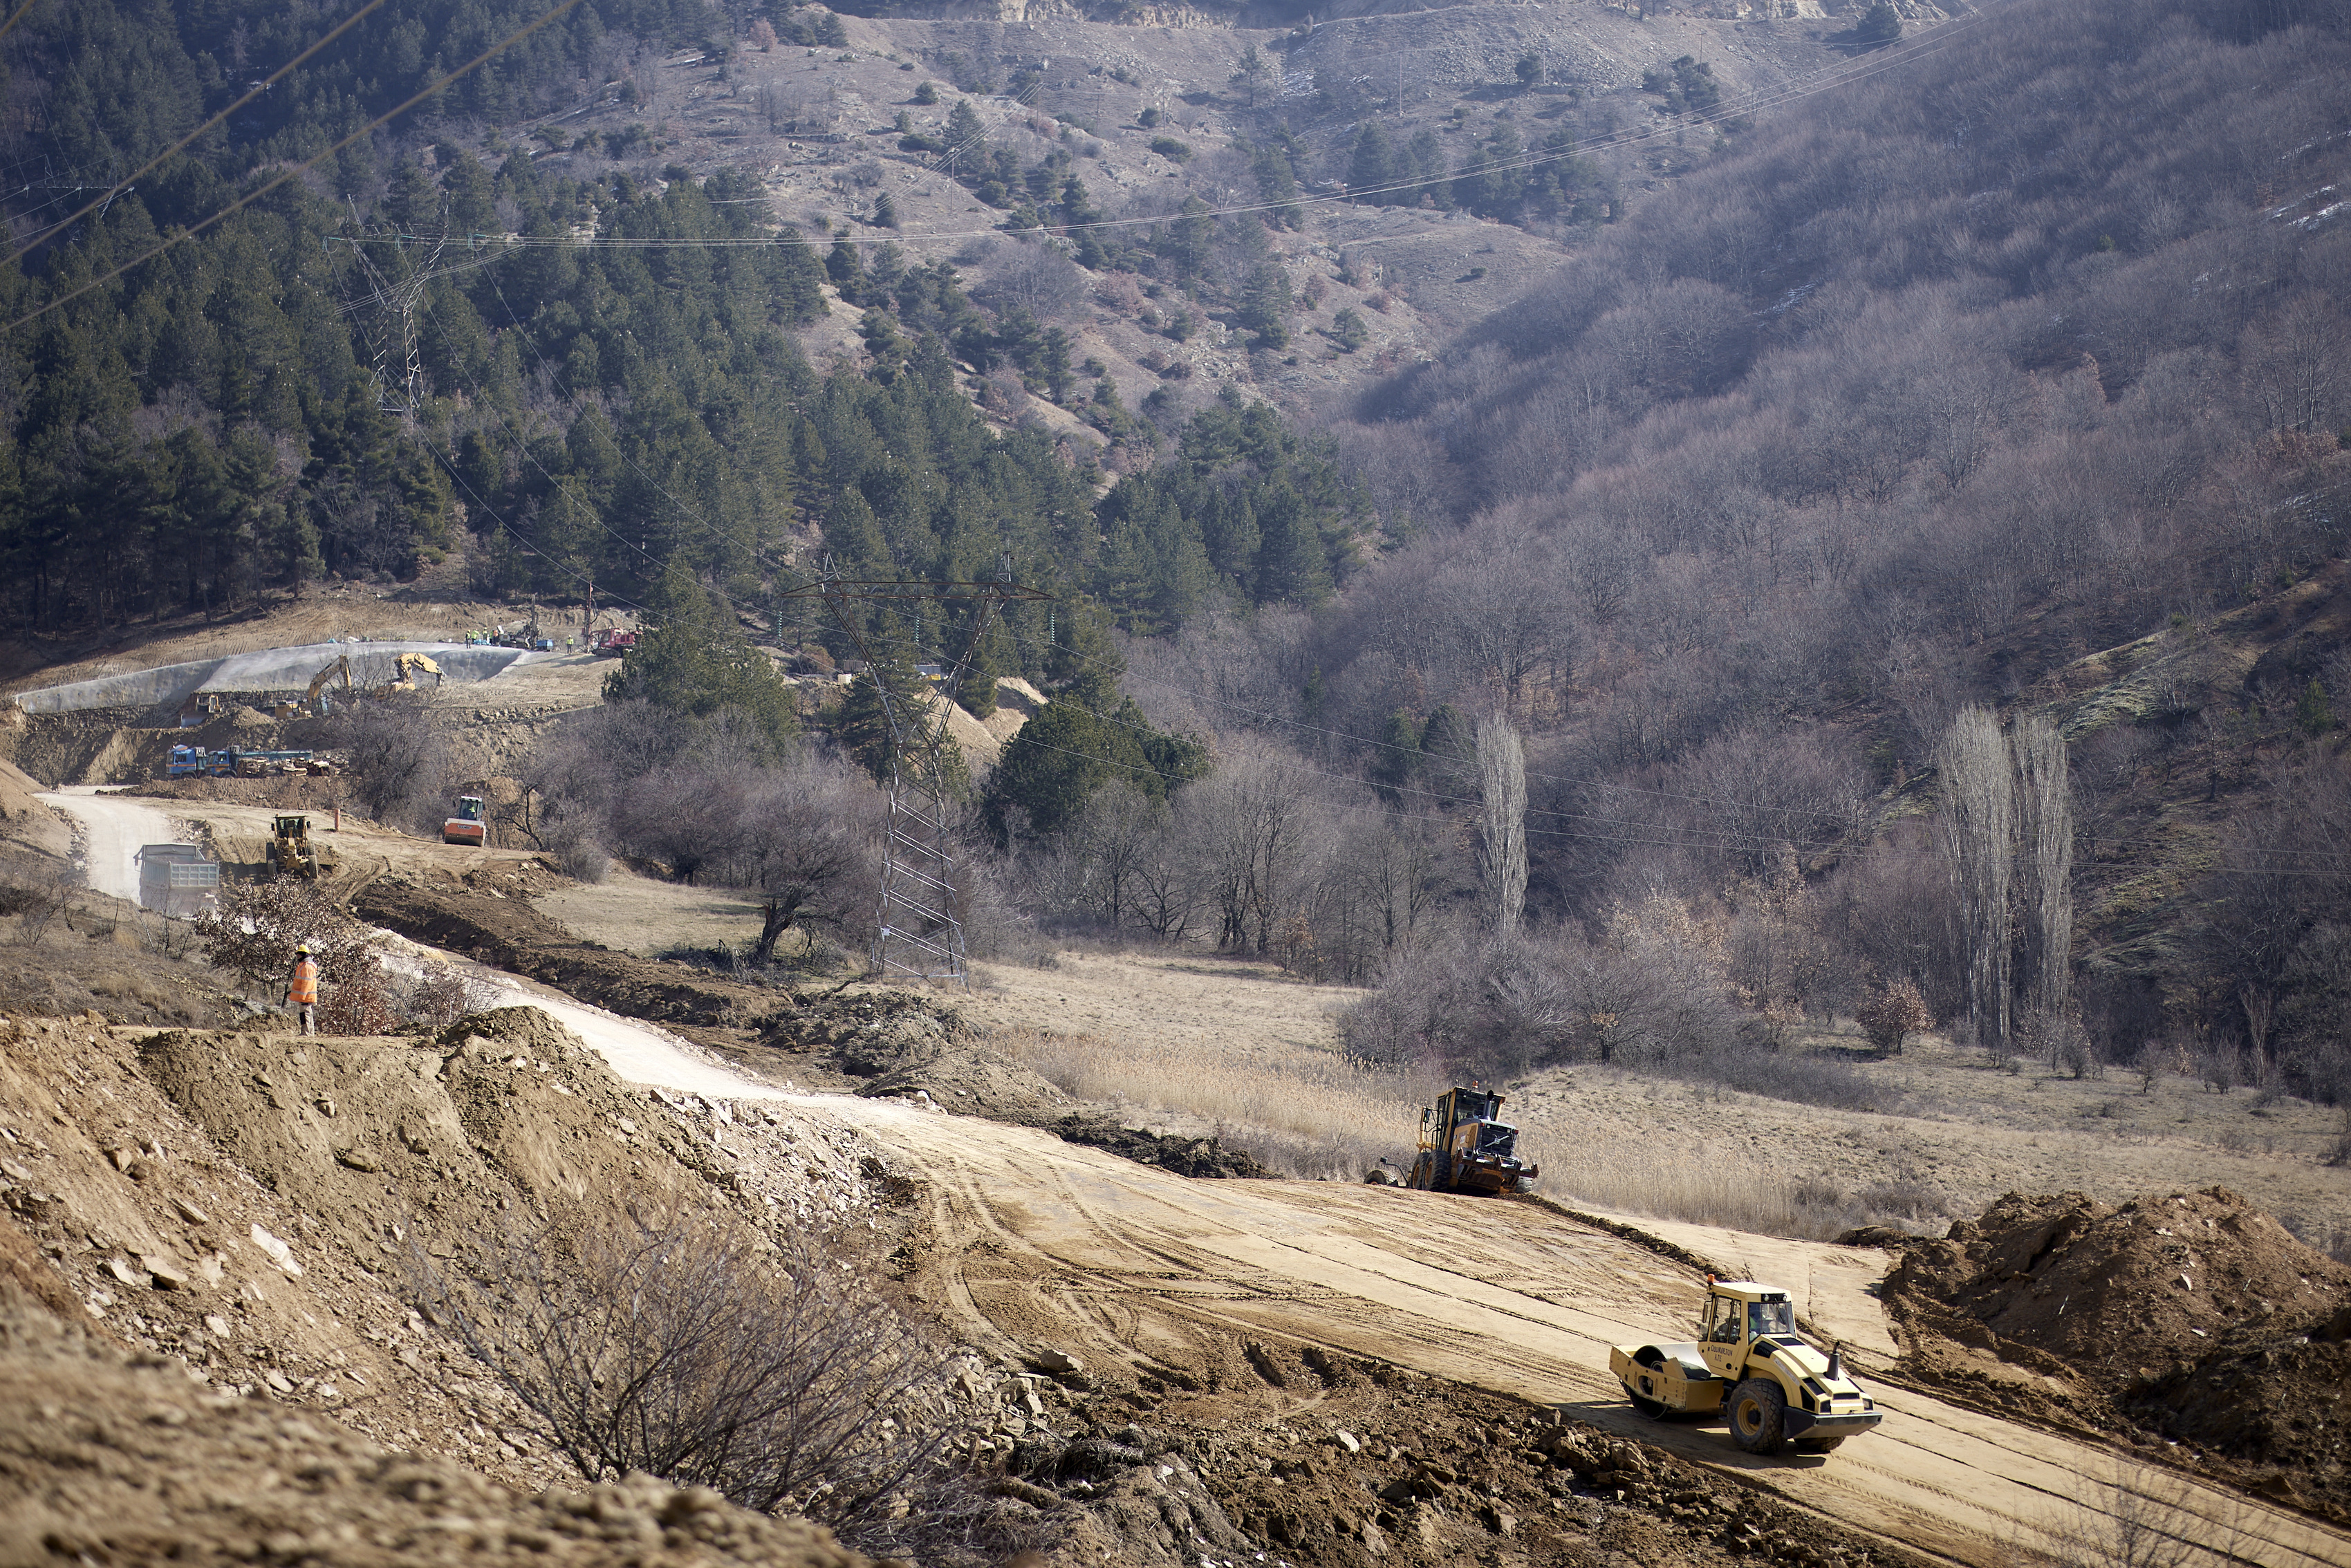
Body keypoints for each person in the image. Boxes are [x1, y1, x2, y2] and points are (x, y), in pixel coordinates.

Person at [286, 942, 319, 1036]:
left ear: (304, 954)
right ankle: (308, 1033)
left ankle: (307, 1033)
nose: (297, 956)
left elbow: (306, 983)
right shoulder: (305, 965)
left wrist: (302, 996)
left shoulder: (307, 967)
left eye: (299, 954)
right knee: (306, 1014)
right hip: (306, 996)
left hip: (306, 996)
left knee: (306, 1014)